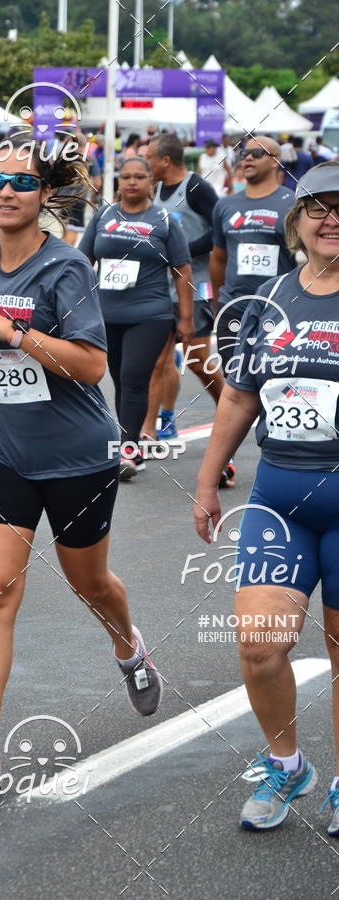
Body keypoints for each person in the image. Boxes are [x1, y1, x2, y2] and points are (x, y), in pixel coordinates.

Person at [0, 140, 164, 789]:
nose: (6, 191)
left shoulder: (67, 267)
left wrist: (12, 334)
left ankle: (129, 649)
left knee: (90, 583)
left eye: (22, 182)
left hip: (75, 456)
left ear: (46, 193)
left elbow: (90, 364)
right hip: (0, 447)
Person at [194, 161, 339, 835]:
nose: (331, 219)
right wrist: (207, 480)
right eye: (318, 207)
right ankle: (287, 764)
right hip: (280, 501)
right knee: (259, 643)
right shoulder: (271, 297)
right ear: (297, 221)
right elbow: (238, 395)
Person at [78, 156, 194, 480]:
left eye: (139, 176)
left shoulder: (164, 219)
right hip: (106, 315)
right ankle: (130, 444)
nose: (131, 181)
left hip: (150, 314)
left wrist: (186, 318)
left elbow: (182, 270)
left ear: (150, 182)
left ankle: (128, 450)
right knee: (119, 379)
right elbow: (82, 261)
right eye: (125, 176)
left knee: (133, 377)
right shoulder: (103, 216)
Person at [210, 136, 295, 488]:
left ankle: (284, 461)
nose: (247, 158)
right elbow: (218, 258)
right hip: (236, 311)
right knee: (235, 388)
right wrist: (219, 303)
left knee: (277, 387)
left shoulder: (293, 203)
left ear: (275, 160)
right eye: (243, 153)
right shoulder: (226, 205)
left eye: (257, 153)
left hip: (279, 312)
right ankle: (223, 462)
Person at [144, 133, 223, 441]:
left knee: (197, 359)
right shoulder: (156, 189)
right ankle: (153, 428)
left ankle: (230, 408)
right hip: (163, 289)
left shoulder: (196, 187)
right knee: (157, 361)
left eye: (149, 158)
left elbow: (220, 231)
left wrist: (183, 252)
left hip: (198, 286)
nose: (146, 164)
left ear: (165, 160)